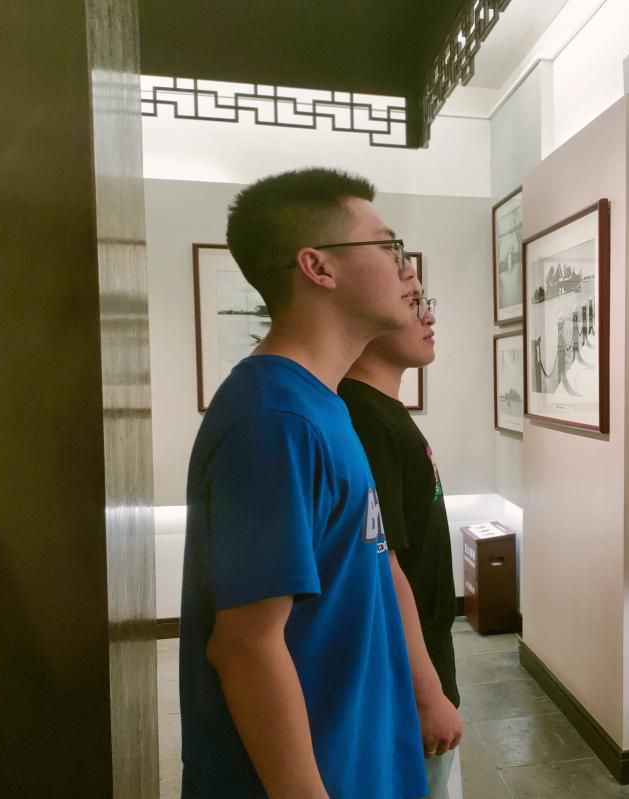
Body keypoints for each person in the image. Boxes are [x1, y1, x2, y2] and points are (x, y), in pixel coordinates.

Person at [180, 168, 427, 799]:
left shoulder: (322, 404)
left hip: (358, 758)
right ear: (318, 267)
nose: (406, 269)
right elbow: (247, 646)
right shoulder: (274, 420)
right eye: (388, 247)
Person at [340, 295, 463, 797]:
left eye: (425, 302)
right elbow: (383, 568)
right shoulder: (363, 417)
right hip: (401, 681)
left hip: (423, 661)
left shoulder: (382, 411)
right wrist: (426, 694)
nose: (429, 316)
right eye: (412, 303)